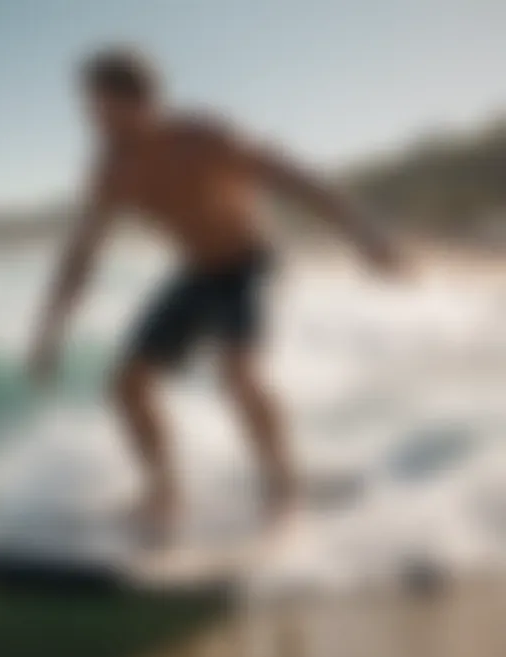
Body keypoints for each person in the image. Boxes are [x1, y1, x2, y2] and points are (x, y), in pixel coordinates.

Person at [27, 47, 401, 544]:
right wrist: (51, 330)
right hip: (197, 272)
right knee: (127, 384)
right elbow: (81, 255)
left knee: (237, 372)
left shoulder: (204, 138)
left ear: (139, 102)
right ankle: (164, 492)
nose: (91, 120)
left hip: (248, 264)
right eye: (88, 108)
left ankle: (282, 487)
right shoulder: (110, 170)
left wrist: (363, 231)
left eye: (99, 108)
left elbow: (293, 178)